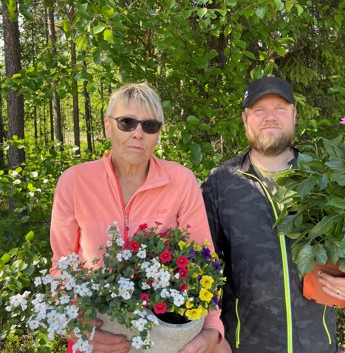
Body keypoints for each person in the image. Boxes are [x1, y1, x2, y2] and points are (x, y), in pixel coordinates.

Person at [50, 83, 225, 353]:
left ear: (158, 133)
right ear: (108, 126)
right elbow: (62, 266)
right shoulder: (75, 181)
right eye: (127, 122)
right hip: (98, 333)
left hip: (165, 333)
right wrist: (73, 326)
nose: (138, 134)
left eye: (149, 125)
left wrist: (213, 331)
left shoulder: (180, 181)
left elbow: (204, 262)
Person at [201, 77, 345, 352]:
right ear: (246, 119)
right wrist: (212, 335)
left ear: (293, 115)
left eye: (280, 108)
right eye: (259, 110)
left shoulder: (327, 177)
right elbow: (199, 268)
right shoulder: (221, 184)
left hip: (319, 346)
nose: (270, 117)